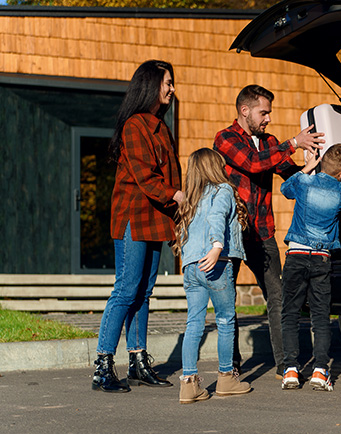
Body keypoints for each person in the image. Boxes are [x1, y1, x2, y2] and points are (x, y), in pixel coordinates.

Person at [213, 84, 325, 378]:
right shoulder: (225, 139)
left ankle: (284, 363)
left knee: (278, 297)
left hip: (263, 233)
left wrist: (312, 166)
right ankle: (232, 365)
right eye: (264, 112)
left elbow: (291, 180)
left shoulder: (271, 141)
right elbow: (251, 163)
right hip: (231, 234)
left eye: (269, 113)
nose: (268, 119)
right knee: (228, 301)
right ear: (245, 110)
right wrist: (292, 143)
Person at [92, 60, 183, 393]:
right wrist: (176, 195)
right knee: (126, 290)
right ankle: (103, 366)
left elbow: (168, 177)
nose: (172, 89)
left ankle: (138, 362)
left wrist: (175, 208)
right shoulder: (135, 126)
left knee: (144, 292)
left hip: (156, 218)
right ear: (151, 85)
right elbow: (146, 177)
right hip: (133, 216)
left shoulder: (160, 126)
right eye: (168, 83)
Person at [279, 144, 341, 391]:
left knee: (290, 312)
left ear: (322, 163)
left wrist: (306, 168)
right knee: (320, 315)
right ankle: (320, 371)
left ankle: (290, 370)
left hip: (296, 255)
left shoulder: (304, 183)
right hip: (321, 257)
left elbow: (284, 188)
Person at [173, 148, 252, 403]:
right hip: (216, 263)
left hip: (191, 266)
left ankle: (189, 384)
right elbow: (217, 217)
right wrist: (217, 247)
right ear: (215, 167)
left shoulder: (191, 198)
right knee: (226, 320)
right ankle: (227, 378)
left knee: (194, 323)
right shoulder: (223, 190)